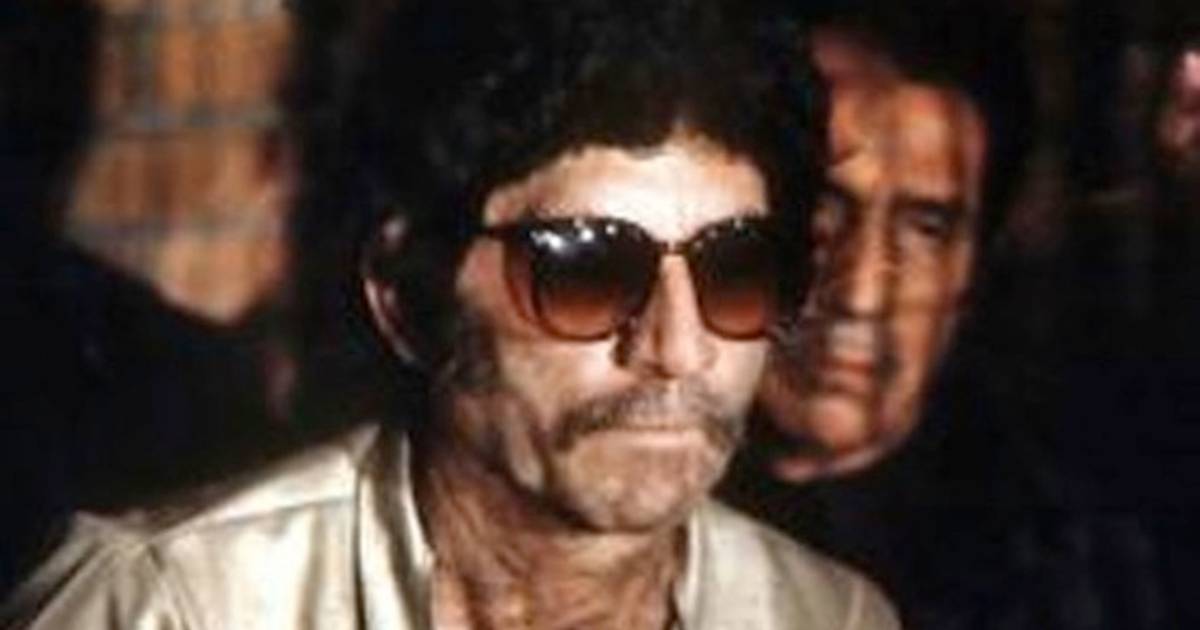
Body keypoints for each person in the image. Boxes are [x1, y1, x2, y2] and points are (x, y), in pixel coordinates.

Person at [2, 2, 899, 628]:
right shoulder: (173, 606)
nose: (677, 347)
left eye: (737, 271)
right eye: (587, 270)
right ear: (405, 294)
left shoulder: (832, 617)